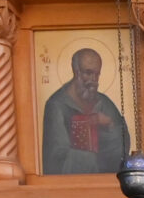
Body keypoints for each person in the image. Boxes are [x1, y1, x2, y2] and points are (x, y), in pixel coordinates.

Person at [41, 47, 129, 175]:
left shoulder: (104, 103)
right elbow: (57, 157)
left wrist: (109, 124)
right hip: (70, 183)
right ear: (76, 72)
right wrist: (95, 159)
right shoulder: (57, 105)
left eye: (97, 74)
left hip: (107, 182)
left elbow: (122, 145)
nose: (93, 79)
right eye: (88, 73)